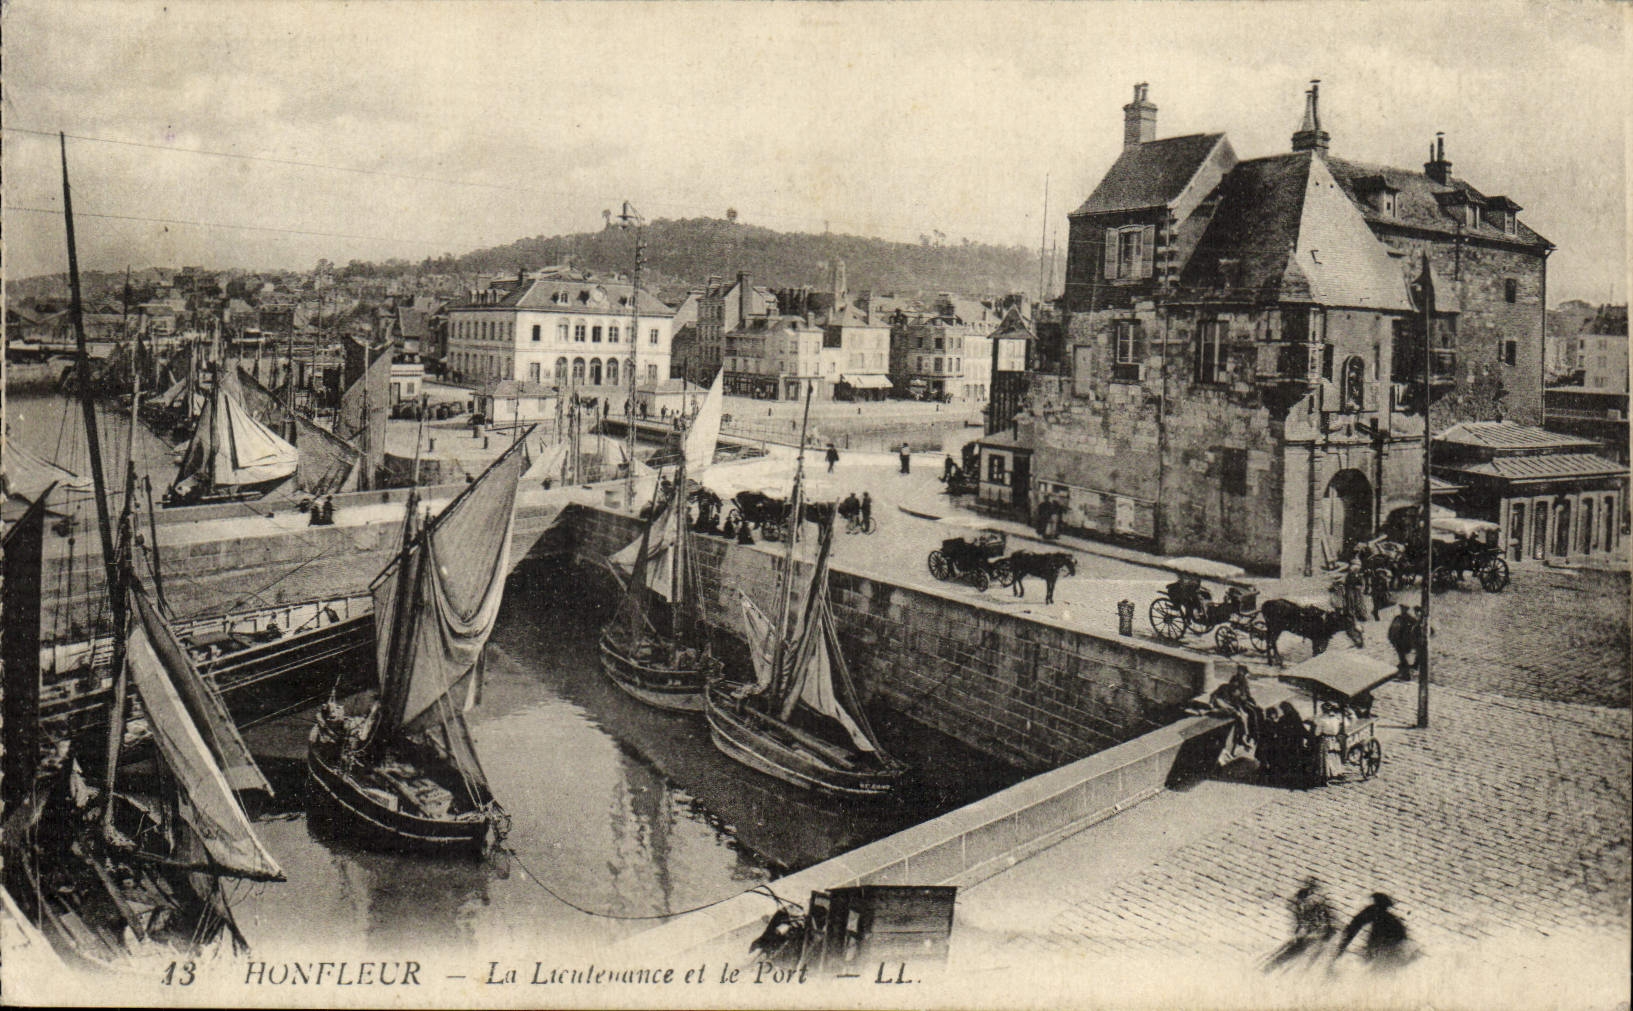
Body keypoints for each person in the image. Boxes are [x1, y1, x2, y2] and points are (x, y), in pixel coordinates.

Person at [1264, 877, 1337, 972]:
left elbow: (1300, 918)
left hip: (1310, 932)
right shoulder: (1315, 902)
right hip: (1311, 933)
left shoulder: (1307, 903)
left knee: (1295, 952)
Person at [1334, 893, 1412, 971]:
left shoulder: (1389, 920)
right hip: (1378, 948)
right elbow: (1354, 926)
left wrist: (1341, 947)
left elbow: (1354, 927)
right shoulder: (1373, 913)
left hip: (1383, 948)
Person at [1387, 606, 1420, 680]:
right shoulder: (1399, 617)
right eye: (1402, 609)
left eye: (1404, 609)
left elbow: (1416, 626)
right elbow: (1392, 628)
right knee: (1402, 657)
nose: (1403, 610)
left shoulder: (1408, 619)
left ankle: (1406, 675)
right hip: (1398, 640)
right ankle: (1408, 666)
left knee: (1402, 657)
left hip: (1404, 642)